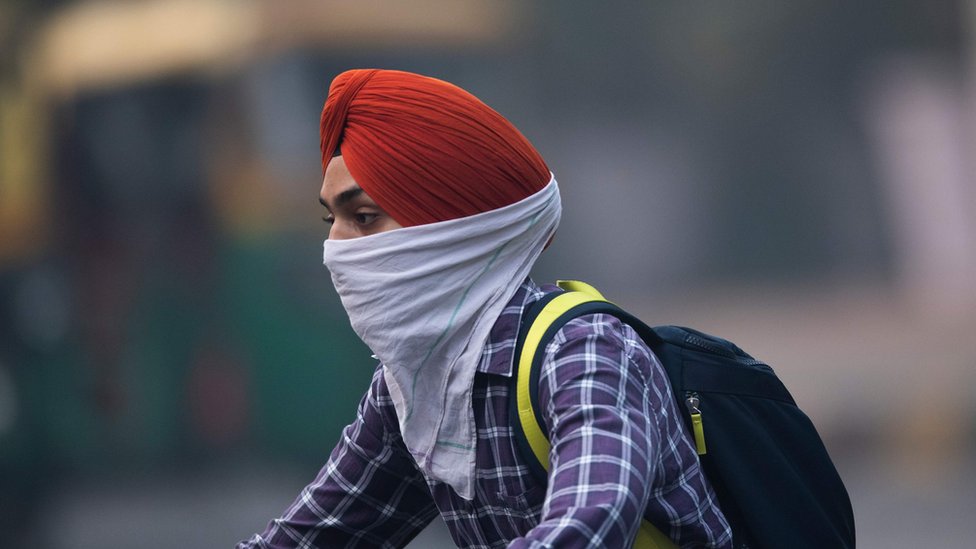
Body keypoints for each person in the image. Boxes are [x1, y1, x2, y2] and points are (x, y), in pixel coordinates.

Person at [238, 68, 732, 548]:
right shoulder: (414, 390)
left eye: (364, 217)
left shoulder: (583, 352)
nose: (335, 248)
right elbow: (316, 534)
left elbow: (590, 523)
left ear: (454, 231)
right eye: (332, 218)